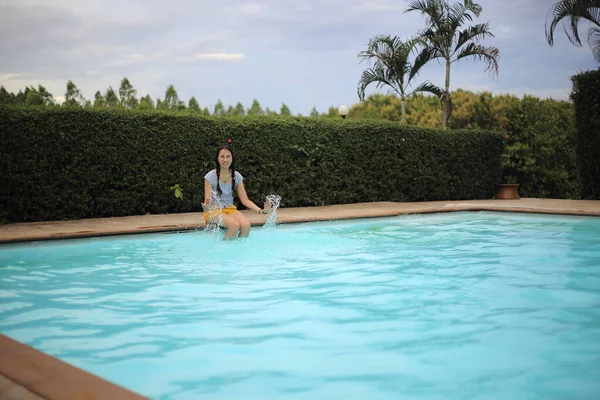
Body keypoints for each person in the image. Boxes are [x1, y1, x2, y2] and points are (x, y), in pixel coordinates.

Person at [203, 144, 271, 239]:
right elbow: (207, 201)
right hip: (214, 211)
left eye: (228, 156)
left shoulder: (237, 176)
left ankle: (239, 251)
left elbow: (245, 200)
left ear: (232, 158)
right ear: (217, 158)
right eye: (222, 156)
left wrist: (261, 211)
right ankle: (225, 250)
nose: (225, 160)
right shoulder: (210, 176)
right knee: (233, 225)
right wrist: (206, 209)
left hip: (230, 209)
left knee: (246, 226)